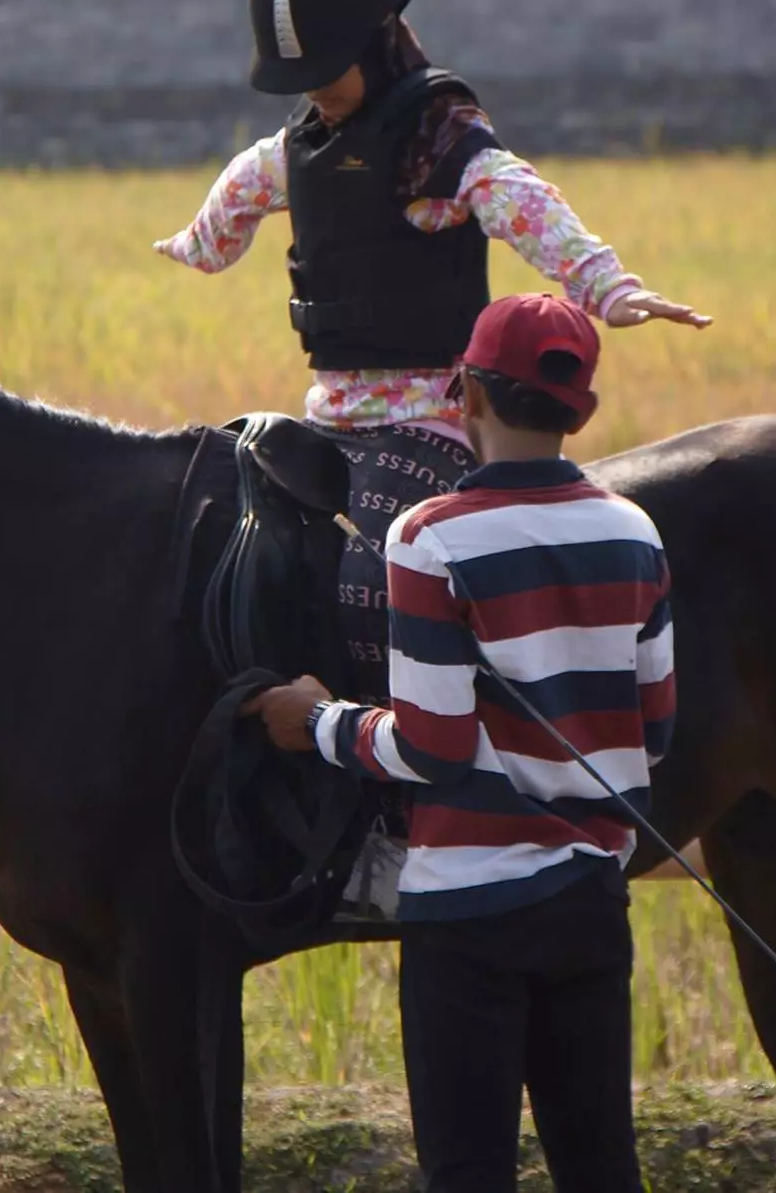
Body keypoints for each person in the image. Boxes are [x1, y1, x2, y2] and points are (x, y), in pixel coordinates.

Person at [156, 0, 707, 702]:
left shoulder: (439, 146)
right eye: (301, 76)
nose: (317, 89)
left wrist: (608, 288)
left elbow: (523, 202)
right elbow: (234, 202)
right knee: (241, 563)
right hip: (329, 421)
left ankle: (401, 771)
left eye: (329, 67)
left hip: (435, 419)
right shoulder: (299, 150)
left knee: (375, 578)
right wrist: (194, 244)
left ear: (379, 38)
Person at [245, 292, 676, 1193]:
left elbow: (435, 744)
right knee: (602, 1167)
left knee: (468, 1171)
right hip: (593, 901)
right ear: (579, 408)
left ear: (462, 396)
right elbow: (655, 731)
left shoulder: (429, 536)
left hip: (468, 917)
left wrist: (317, 721)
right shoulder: (633, 533)